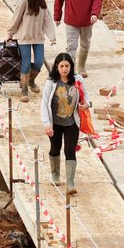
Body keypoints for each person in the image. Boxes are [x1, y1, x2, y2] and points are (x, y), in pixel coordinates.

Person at [40, 52, 88, 195]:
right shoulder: (51, 82)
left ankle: (70, 182)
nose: (64, 69)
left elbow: (86, 96)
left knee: (70, 150)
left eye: (67, 66)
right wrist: (46, 123)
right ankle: (55, 174)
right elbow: (44, 103)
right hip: (55, 122)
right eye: (61, 66)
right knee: (55, 148)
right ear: (57, 67)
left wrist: (86, 104)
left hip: (72, 122)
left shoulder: (77, 79)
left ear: (71, 67)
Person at [6, 0, 57, 102]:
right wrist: (10, 34)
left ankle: (31, 80)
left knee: (39, 62)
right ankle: (24, 90)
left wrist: (52, 36)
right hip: (24, 38)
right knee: (26, 63)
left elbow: (47, 18)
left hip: (38, 37)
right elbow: (16, 17)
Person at [54, 0, 104, 78]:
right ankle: (71, 71)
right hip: (71, 19)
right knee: (71, 46)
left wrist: (94, 13)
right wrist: (57, 16)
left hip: (87, 20)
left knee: (85, 44)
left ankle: (81, 67)